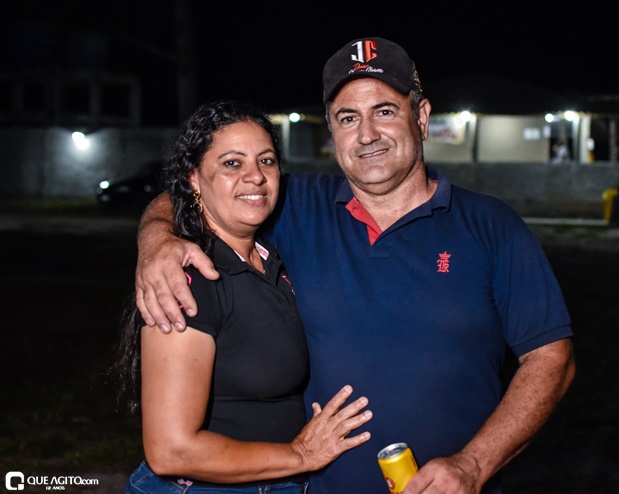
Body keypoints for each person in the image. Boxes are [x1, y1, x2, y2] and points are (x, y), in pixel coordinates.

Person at [134, 38, 576, 494]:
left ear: (421, 117)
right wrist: (158, 238)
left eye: (384, 111)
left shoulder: (491, 225)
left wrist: (474, 465)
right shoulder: (292, 205)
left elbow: (549, 359)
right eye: (348, 118)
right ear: (332, 131)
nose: (367, 134)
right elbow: (199, 191)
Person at [112, 100, 373, 494]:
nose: (255, 176)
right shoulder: (189, 280)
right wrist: (301, 455)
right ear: (194, 179)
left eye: (266, 161)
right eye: (232, 163)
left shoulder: (271, 260)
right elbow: (172, 451)